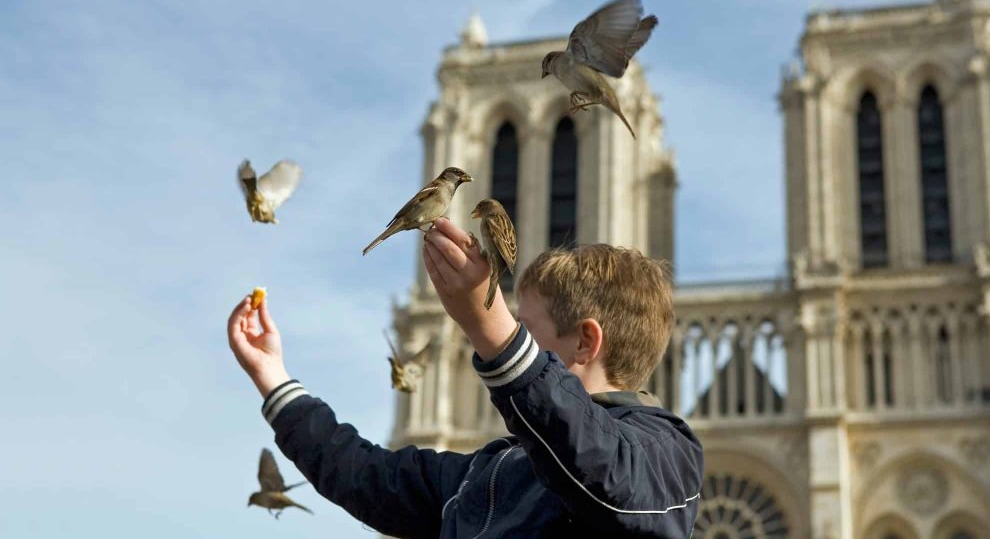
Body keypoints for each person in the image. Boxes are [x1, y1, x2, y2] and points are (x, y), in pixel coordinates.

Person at [227, 217, 703, 537]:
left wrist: (491, 328)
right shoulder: (489, 470)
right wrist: (274, 379)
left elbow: (606, 473)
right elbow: (364, 475)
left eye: (526, 330)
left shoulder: (665, 452)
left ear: (584, 342)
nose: (511, 334)